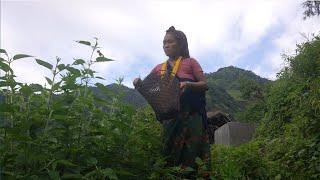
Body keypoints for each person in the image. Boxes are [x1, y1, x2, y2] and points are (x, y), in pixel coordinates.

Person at [133, 26, 210, 177]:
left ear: (180, 44)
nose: (166, 45)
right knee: (167, 154)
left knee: (191, 155)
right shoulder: (158, 68)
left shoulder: (190, 62)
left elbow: (204, 84)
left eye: (170, 42)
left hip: (192, 117)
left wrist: (188, 84)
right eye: (164, 43)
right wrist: (139, 84)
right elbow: (151, 90)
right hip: (170, 119)